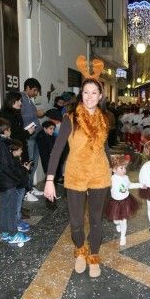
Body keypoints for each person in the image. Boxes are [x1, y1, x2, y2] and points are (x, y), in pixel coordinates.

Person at [44, 77, 111, 278]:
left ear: (100, 96)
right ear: (81, 95)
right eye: (86, 92)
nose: (89, 96)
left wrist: (115, 170)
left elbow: (105, 147)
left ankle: (94, 256)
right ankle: (80, 251)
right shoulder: (70, 119)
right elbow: (57, 149)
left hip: (100, 174)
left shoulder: (104, 119)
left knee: (97, 220)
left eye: (94, 93)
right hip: (76, 174)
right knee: (76, 222)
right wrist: (49, 180)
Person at [0, 118, 32, 245]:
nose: (10, 132)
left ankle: (5, 232)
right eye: (9, 129)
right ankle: (13, 234)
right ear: (6, 131)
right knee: (11, 208)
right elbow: (7, 167)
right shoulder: (2, 146)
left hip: (1, 182)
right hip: (8, 183)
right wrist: (21, 174)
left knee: (4, 207)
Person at [0, 91, 37, 201]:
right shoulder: (6, 115)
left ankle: (26, 190)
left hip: (20, 144)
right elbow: (13, 133)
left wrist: (26, 132)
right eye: (19, 101)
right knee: (18, 170)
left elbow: (18, 130)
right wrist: (27, 132)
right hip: (14, 147)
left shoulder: (16, 112)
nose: (21, 103)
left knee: (24, 167)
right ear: (13, 101)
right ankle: (23, 193)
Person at [105, 154, 141, 246]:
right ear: (114, 170)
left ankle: (123, 236)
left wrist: (140, 185)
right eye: (121, 168)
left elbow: (130, 185)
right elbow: (105, 187)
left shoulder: (126, 178)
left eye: (125, 168)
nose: (124, 170)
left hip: (125, 201)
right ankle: (117, 224)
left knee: (124, 220)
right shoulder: (111, 179)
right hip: (115, 202)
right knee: (116, 220)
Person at [20, 78, 44, 199]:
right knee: (28, 163)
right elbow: (22, 116)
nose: (35, 93)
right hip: (28, 137)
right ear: (28, 87)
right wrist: (36, 114)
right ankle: (26, 190)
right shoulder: (21, 98)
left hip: (35, 135)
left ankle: (30, 187)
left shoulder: (29, 100)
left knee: (34, 163)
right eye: (34, 90)